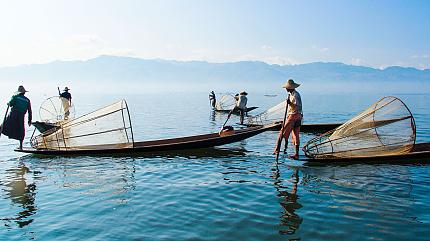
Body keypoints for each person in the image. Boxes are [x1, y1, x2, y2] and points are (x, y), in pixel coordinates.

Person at [274, 79, 303, 159]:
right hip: (298, 116)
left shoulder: (295, 95)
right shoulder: (292, 94)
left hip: (293, 116)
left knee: (281, 133)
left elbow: (297, 107)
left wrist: (290, 103)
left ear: (290, 88)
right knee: (295, 135)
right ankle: (296, 154)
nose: (286, 89)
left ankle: (277, 150)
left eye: (287, 88)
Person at [1, 86, 32, 150]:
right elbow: (30, 111)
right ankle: (21, 146)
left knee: (2, 126)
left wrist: (9, 103)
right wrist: (29, 120)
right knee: (21, 130)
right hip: (21, 116)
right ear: (24, 93)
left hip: (13, 115)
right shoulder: (27, 100)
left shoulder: (15, 97)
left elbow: (10, 104)